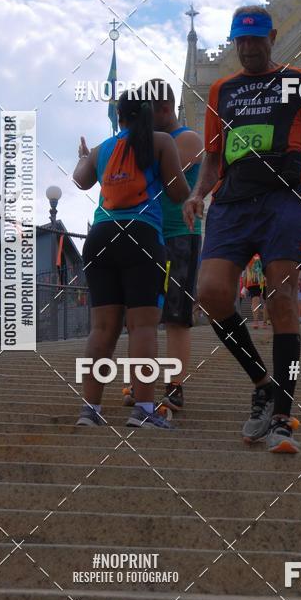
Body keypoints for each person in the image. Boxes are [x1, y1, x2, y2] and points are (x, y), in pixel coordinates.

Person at [183, 5, 301, 453]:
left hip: (284, 199)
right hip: (232, 201)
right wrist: (198, 194)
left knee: (282, 296)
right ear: (234, 43)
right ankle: (262, 383)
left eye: (256, 39)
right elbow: (213, 157)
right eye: (241, 41)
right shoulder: (221, 90)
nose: (248, 48)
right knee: (211, 293)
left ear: (272, 37)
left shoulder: (300, 82)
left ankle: (284, 417)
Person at [73, 89, 189, 429]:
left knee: (102, 328)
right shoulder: (161, 142)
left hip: (101, 237)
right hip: (142, 236)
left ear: (119, 115)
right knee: (142, 326)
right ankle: (143, 408)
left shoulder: (103, 148)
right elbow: (178, 192)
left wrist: (83, 156)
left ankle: (90, 411)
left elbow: (81, 181)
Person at [151, 80, 203, 413]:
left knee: (176, 315)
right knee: (142, 313)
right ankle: (140, 381)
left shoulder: (187, 139)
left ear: (166, 110)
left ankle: (174, 386)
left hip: (180, 233)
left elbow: (162, 174)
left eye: (148, 114)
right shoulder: (152, 140)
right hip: (150, 234)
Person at [245, 253, 265, 328]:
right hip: (255, 281)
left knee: (260, 301)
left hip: (259, 281)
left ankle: (262, 321)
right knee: (257, 300)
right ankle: (258, 321)